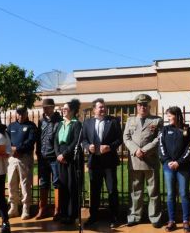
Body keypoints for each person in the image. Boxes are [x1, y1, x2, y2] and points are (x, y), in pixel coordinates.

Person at [123, 94, 163, 228]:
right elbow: (126, 138)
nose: (143, 107)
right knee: (135, 191)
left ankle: (155, 217)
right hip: (135, 160)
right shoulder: (130, 120)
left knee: (153, 191)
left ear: (149, 106)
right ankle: (134, 216)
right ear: (137, 106)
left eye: (145, 105)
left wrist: (144, 150)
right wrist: (136, 150)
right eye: (140, 105)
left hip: (150, 161)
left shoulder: (157, 120)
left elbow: (159, 138)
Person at [82, 98, 122, 228]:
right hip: (94, 162)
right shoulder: (87, 123)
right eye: (100, 107)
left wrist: (110, 147)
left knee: (112, 190)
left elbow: (119, 139)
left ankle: (114, 217)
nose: (103, 109)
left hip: (109, 162)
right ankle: (93, 216)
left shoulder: (113, 121)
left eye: (104, 107)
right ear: (94, 109)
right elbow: (83, 139)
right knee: (94, 191)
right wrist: (88, 146)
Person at [159, 106, 190, 233]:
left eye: (170, 115)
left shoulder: (187, 130)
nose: (168, 118)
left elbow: (189, 148)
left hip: (183, 167)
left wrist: (178, 162)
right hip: (168, 167)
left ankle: (186, 221)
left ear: (177, 115)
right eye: (167, 116)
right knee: (170, 194)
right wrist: (168, 161)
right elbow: (161, 147)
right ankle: (171, 221)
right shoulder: (164, 130)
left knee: (184, 193)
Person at [54, 99, 82, 224]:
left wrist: (65, 154)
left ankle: (72, 215)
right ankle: (63, 213)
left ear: (72, 111)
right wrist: (58, 154)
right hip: (60, 158)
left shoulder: (76, 124)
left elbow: (76, 141)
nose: (63, 111)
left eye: (65, 109)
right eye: (62, 109)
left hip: (71, 158)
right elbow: (55, 141)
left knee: (72, 187)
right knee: (63, 186)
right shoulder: (60, 124)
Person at [7, 107, 37, 220]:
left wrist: (18, 149)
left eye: (22, 113)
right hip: (12, 158)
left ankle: (26, 208)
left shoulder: (31, 126)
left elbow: (31, 141)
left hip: (25, 158)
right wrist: (12, 150)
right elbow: (7, 140)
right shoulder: (11, 126)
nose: (20, 116)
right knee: (11, 183)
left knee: (25, 184)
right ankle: (14, 207)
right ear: (16, 114)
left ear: (26, 113)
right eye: (18, 113)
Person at [35, 99, 63, 220]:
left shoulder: (60, 121)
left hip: (54, 157)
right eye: (44, 108)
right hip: (43, 157)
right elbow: (39, 138)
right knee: (43, 183)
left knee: (57, 182)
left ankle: (57, 209)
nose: (45, 110)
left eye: (47, 107)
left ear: (52, 107)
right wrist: (38, 153)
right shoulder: (41, 121)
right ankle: (43, 208)